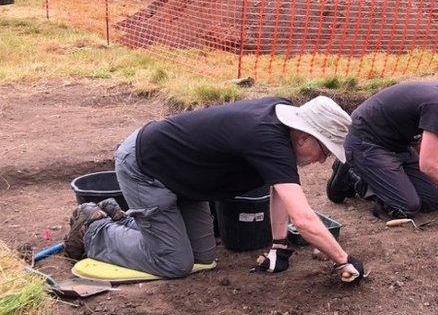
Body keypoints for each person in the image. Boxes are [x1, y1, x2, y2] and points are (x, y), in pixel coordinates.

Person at [63, 96, 366, 283]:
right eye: (325, 150)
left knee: (202, 258)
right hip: (146, 168)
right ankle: (93, 230)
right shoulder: (269, 141)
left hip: (182, 179)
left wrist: (278, 245)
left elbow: (280, 190)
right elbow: (304, 219)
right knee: (174, 263)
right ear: (304, 138)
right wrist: (343, 259)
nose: (323, 159)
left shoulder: (282, 125)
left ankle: (128, 221)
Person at [328, 61, 438, 218]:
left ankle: (381, 176)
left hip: (396, 145)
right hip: (365, 142)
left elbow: (421, 144)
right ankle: (354, 176)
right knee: (407, 205)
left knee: (431, 201)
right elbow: (427, 164)